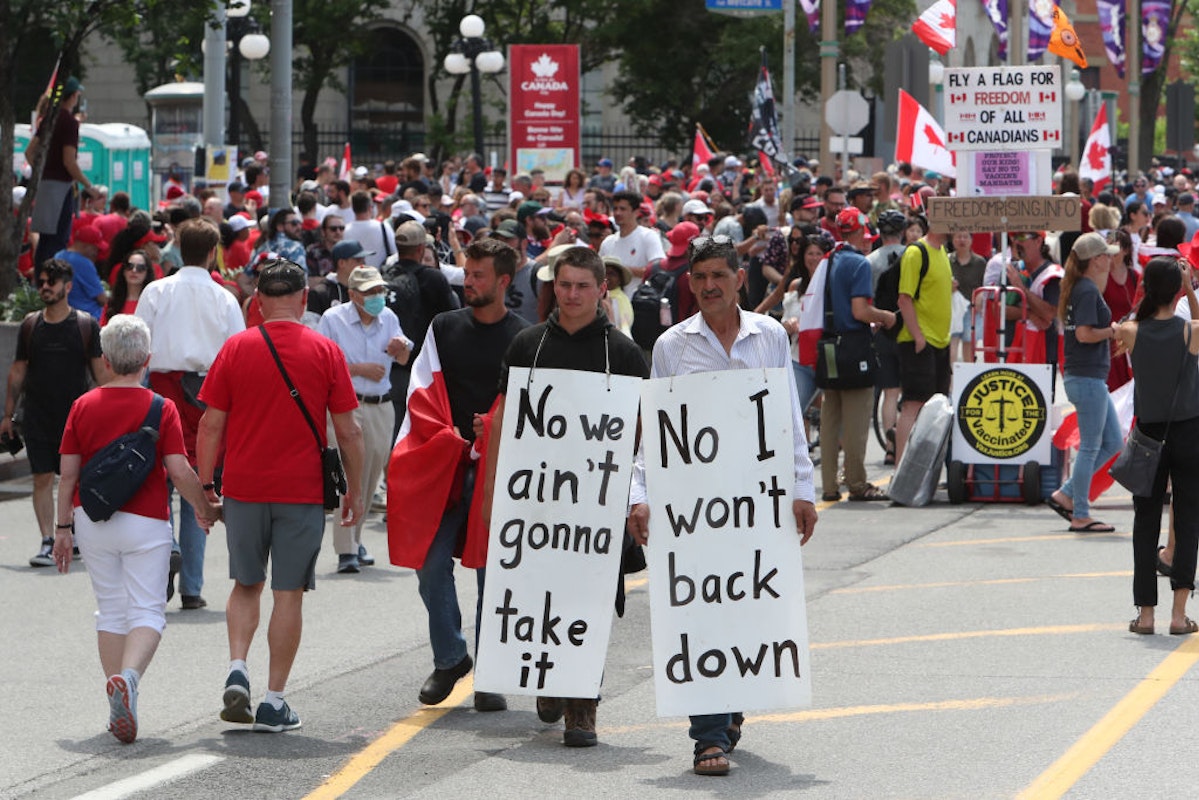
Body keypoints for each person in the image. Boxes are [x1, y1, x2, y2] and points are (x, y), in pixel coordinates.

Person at [627, 234, 818, 777]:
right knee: (699, 610)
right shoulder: (671, 346)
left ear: (739, 279)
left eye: (720, 275)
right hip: (693, 511)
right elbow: (655, 434)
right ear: (690, 282)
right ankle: (707, 734)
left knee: (746, 604)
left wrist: (803, 489)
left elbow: (787, 418)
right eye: (700, 276)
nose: (709, 286)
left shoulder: (770, 338)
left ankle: (730, 704)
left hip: (756, 505)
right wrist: (640, 496)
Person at [483, 245, 649, 747]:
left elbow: (640, 432)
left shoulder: (622, 353)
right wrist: (492, 499)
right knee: (536, 593)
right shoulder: (526, 346)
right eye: (563, 284)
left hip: (596, 505)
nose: (572, 294)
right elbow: (503, 426)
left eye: (582, 286)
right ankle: (551, 680)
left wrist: (632, 499)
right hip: (534, 504)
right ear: (552, 286)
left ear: (602, 290)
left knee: (592, 602)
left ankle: (584, 707)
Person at [197, 258, 365, 733]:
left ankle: (236, 666)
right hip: (302, 490)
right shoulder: (325, 349)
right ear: (304, 300)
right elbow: (349, 431)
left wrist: (208, 485)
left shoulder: (236, 348)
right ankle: (273, 700)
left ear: (258, 302)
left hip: (245, 487)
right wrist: (353, 488)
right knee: (288, 592)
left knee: (246, 583)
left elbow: (212, 423)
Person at [52, 315, 220, 743]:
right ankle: (128, 679)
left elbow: (67, 475)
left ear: (105, 360)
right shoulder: (160, 408)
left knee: (110, 609)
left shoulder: (82, 406)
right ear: (147, 360)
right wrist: (203, 508)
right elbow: (179, 469)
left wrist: (61, 528)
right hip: (145, 520)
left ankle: (117, 699)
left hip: (92, 519)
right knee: (148, 610)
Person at [388, 237, 528, 714]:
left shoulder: (525, 338)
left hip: (501, 472)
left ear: (504, 282)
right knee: (429, 563)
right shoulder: (443, 327)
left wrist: (494, 428)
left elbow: (537, 411)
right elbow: (420, 390)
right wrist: (448, 434)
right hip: (445, 465)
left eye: (479, 275)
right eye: (467, 274)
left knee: (496, 575)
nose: (468, 282)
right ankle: (451, 657)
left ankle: (491, 671)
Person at [135, 217, 246, 609]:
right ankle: (193, 587)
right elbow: (237, 354)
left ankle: (168, 547)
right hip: (208, 394)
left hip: (162, 391)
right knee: (200, 482)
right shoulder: (224, 297)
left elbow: (141, 350)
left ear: (180, 249)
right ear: (214, 252)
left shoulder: (157, 290)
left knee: (159, 479)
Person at [3, 258, 107, 567]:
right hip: (37, 416)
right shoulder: (31, 325)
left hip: (77, 418)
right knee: (42, 478)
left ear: (68, 287)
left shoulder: (86, 325)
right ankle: (48, 540)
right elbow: (17, 372)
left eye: (52, 282)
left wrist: (114, 413)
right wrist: (7, 416)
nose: (45, 287)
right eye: (42, 282)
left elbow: (100, 374)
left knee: (74, 478)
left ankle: (73, 534)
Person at [1115, 257, 1199, 636]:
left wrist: (1154, 291)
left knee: (1145, 522)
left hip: (1149, 433)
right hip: (1188, 431)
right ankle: (1179, 615)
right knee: (1188, 518)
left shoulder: (1131, 331)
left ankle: (1145, 614)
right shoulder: (1189, 330)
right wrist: (1189, 287)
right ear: (1178, 290)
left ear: (1147, 289)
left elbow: (1128, 320)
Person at [317, 266, 411, 573]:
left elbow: (403, 354)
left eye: (379, 291)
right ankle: (346, 550)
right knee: (347, 472)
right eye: (369, 292)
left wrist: (401, 350)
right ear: (354, 294)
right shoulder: (334, 319)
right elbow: (321, 361)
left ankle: (355, 540)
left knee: (372, 474)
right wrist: (358, 369)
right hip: (348, 405)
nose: (376, 297)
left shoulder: (389, 317)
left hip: (381, 405)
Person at [1046, 234, 1124, 533]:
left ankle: (1067, 494)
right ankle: (1079, 512)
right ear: (1095, 261)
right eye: (1106, 255)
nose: (1110, 259)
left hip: (1087, 376)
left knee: (1112, 443)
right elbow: (1084, 334)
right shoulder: (1088, 289)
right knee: (1092, 446)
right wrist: (1112, 331)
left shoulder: (1080, 287)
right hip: (1087, 376)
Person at [819, 210, 896, 502]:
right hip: (853, 345)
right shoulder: (858, 264)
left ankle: (828, 484)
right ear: (861, 229)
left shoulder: (830, 260)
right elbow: (860, 311)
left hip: (828, 344)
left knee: (830, 417)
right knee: (856, 419)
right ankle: (857, 482)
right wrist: (886, 317)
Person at [894, 226, 953, 463]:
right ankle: (900, 466)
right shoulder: (916, 252)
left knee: (936, 408)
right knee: (913, 404)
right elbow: (904, 298)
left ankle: (924, 468)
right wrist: (918, 336)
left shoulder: (942, 253)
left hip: (940, 342)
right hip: (919, 342)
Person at [31, 77, 96, 266]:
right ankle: (53, 283)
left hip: (45, 186)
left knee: (45, 241)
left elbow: (29, 152)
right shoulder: (69, 122)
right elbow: (69, 162)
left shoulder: (48, 119)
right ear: (74, 96)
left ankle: (40, 285)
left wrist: (42, 172)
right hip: (61, 188)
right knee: (58, 242)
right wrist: (88, 185)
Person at [102, 250, 154, 325]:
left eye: (140, 268)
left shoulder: (152, 303)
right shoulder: (112, 303)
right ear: (123, 271)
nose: (134, 270)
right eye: (129, 266)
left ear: (147, 273)